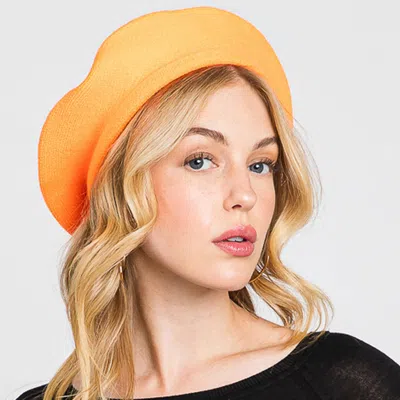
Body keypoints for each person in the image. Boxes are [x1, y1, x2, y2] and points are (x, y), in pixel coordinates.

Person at [15, 6, 400, 400]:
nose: (245, 195)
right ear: (122, 188)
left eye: (260, 165)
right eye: (200, 161)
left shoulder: (344, 383)